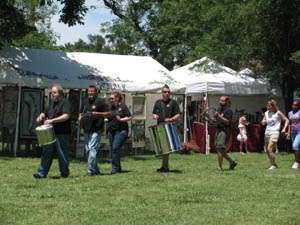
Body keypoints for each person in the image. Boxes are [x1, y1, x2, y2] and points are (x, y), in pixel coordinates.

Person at [33, 84, 71, 179]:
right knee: (46, 152)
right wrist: (40, 116)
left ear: (60, 93)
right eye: (51, 93)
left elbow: (66, 116)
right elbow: (44, 112)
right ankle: (41, 173)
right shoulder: (50, 104)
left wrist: (52, 120)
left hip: (62, 133)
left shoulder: (65, 103)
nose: (52, 94)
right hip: (49, 133)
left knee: (62, 154)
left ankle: (64, 173)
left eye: (54, 92)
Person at [79, 85, 111, 176]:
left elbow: (108, 113)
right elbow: (81, 112)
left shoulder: (100, 102)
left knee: (92, 149)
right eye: (89, 91)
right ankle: (96, 169)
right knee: (88, 150)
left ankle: (90, 171)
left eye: (92, 91)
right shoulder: (85, 101)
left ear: (96, 92)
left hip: (96, 129)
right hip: (86, 129)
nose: (90, 93)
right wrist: (80, 117)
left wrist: (97, 113)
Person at [152, 84, 180, 172]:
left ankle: (166, 167)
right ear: (162, 93)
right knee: (163, 148)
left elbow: (178, 114)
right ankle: (163, 166)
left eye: (168, 92)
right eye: (165, 92)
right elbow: (154, 113)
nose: (167, 93)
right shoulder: (158, 102)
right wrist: (155, 116)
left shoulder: (173, 102)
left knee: (166, 148)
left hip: (169, 127)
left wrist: (171, 119)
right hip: (160, 126)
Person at [107, 91, 132, 174]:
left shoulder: (123, 107)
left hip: (121, 131)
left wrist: (121, 119)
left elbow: (129, 117)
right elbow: (108, 116)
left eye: (112, 98)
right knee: (114, 149)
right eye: (110, 99)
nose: (111, 100)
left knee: (115, 147)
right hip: (111, 131)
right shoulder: (110, 108)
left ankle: (114, 168)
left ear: (117, 98)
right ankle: (118, 167)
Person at [261, 99, 289, 170]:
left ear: (273, 106)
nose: (268, 107)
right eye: (267, 105)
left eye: (269, 106)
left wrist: (284, 129)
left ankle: (273, 165)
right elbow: (263, 121)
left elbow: (286, 120)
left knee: (269, 148)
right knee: (267, 151)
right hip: (267, 132)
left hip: (275, 132)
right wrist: (263, 122)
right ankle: (273, 164)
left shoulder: (278, 113)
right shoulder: (266, 113)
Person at [215, 96, 237, 170]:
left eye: (222, 101)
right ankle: (232, 162)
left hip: (224, 131)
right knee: (220, 149)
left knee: (220, 148)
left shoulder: (229, 110)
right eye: (220, 100)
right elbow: (215, 120)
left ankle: (220, 167)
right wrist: (208, 116)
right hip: (218, 130)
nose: (220, 102)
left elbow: (228, 122)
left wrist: (219, 117)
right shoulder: (219, 109)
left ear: (227, 102)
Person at [287, 100, 300, 169]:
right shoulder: (290, 113)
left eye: (296, 105)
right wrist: (288, 133)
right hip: (293, 132)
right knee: (295, 147)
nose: (294, 106)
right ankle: (297, 161)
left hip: (299, 131)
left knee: (295, 145)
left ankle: (296, 162)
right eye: (293, 105)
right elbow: (289, 124)